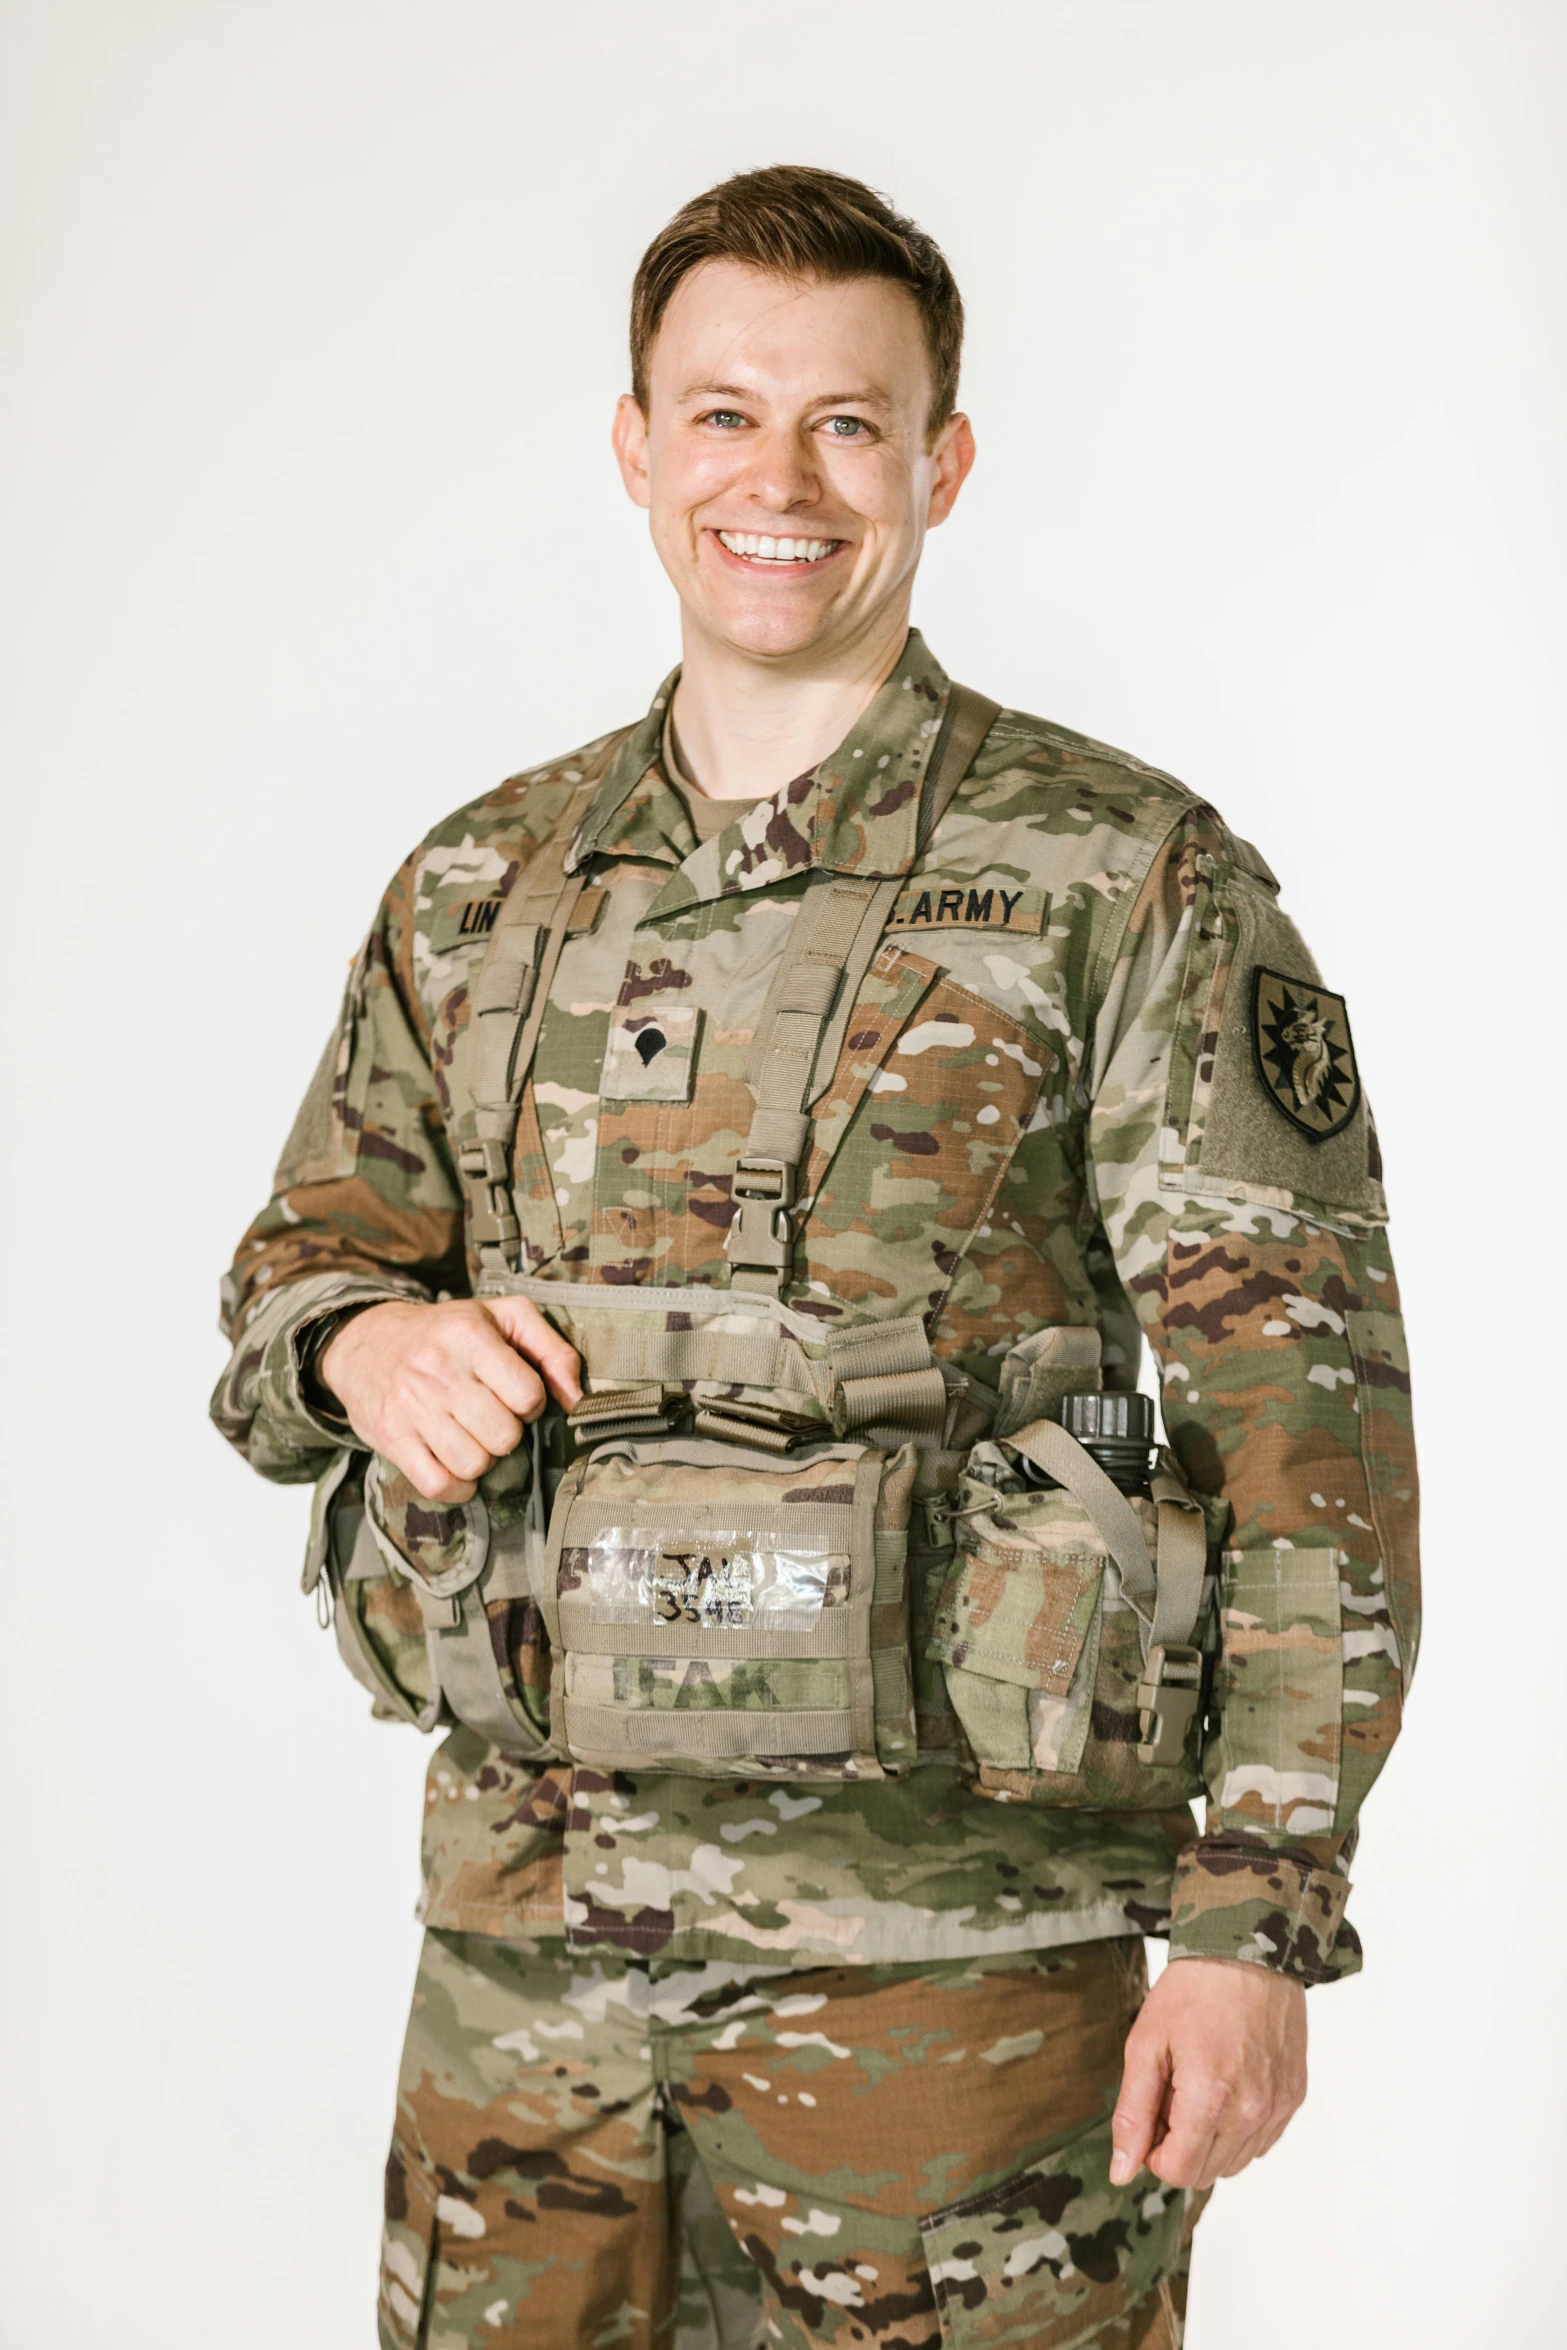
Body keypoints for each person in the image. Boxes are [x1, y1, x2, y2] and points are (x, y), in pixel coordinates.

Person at [212, 165, 1419, 2350]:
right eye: (724, 414)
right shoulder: (485, 880)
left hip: (951, 2003)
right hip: (527, 1978)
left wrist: (1254, 1923)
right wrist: (364, 1340)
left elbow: (1305, 1421)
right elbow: (295, 1269)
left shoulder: (1117, 876)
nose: (780, 480)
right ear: (636, 445)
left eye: (850, 424)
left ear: (942, 462)